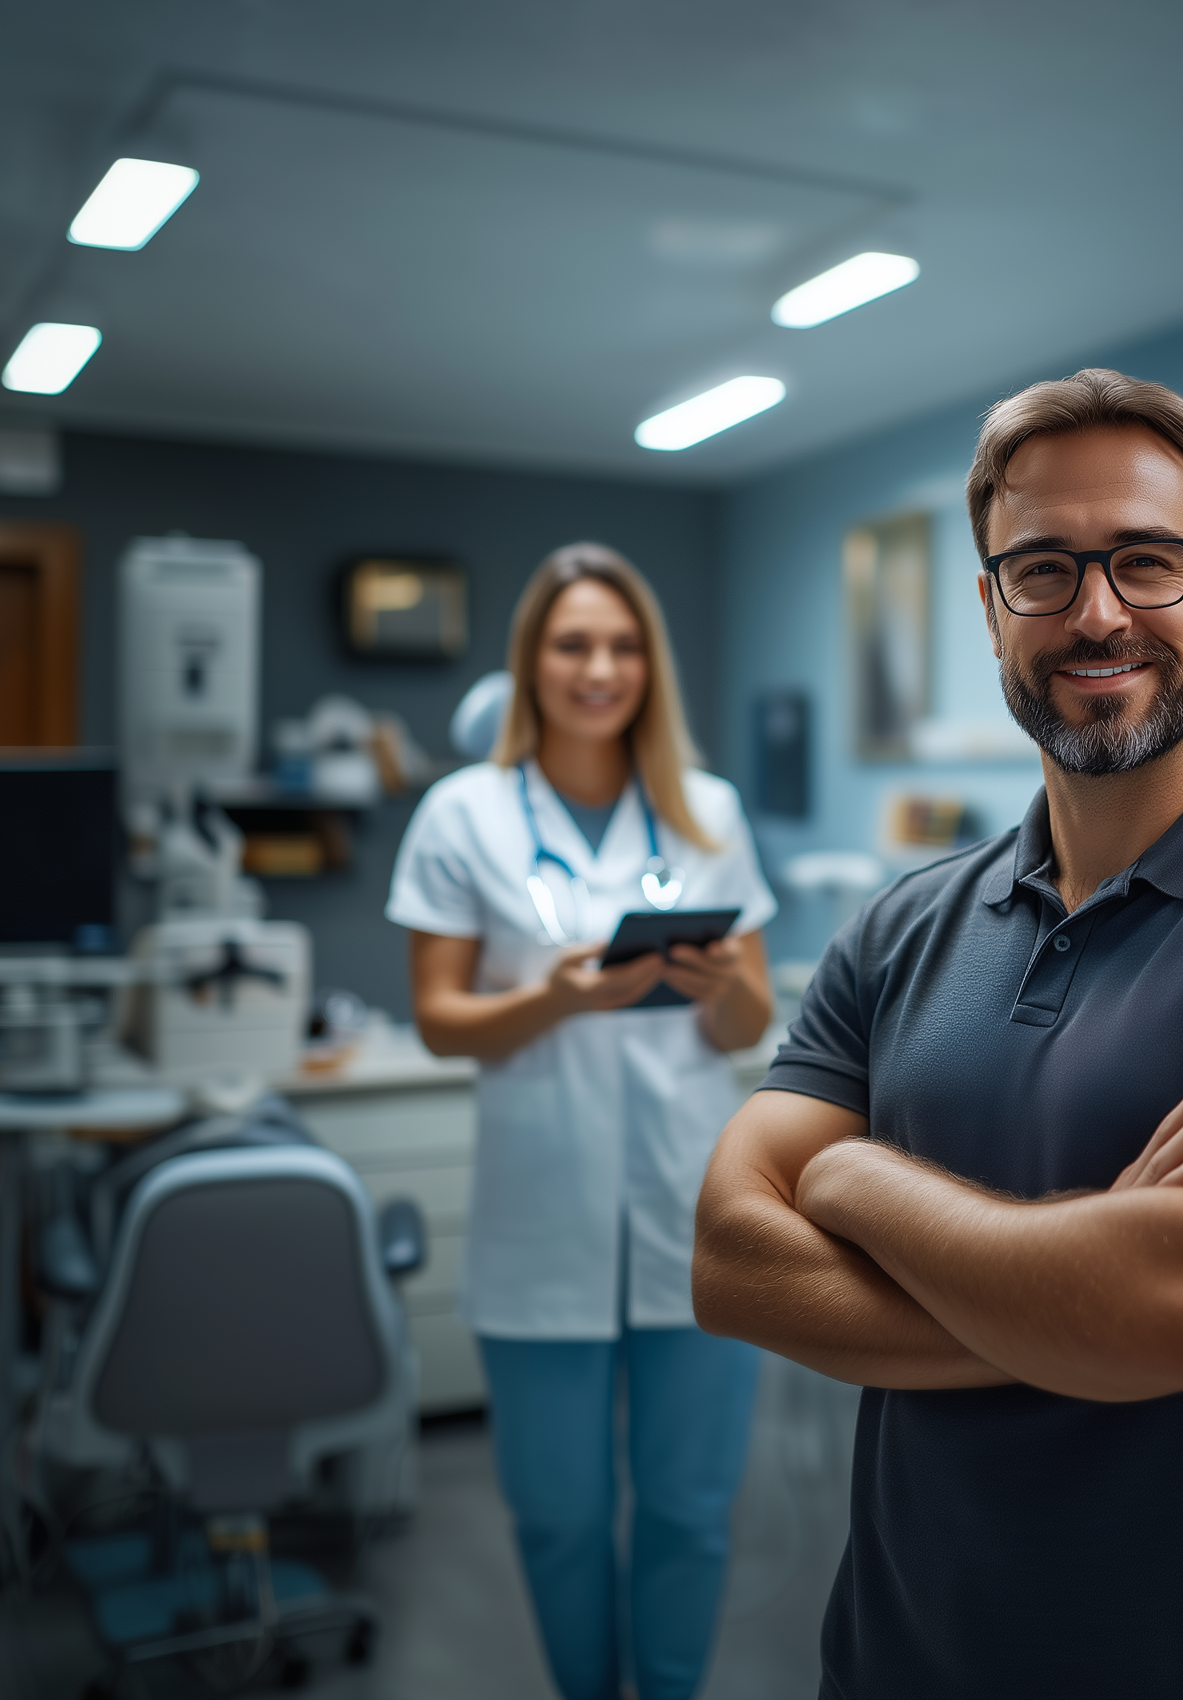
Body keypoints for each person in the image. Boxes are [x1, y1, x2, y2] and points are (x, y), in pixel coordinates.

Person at [694, 370, 1183, 1698]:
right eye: (1043, 569)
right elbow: (729, 1257)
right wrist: (1087, 1298)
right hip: (900, 1662)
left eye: (1150, 562)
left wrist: (857, 1178)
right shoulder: (902, 929)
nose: (1098, 611)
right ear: (991, 610)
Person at [386, 543, 776, 1700]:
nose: (598, 668)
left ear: (650, 664)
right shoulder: (464, 815)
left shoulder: (708, 810)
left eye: (621, 645)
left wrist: (722, 986)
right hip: (539, 1219)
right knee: (556, 1517)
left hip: (688, 1210)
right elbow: (442, 1022)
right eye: (572, 645)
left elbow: (747, 1023)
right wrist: (552, 995)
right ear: (531, 664)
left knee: (690, 1512)